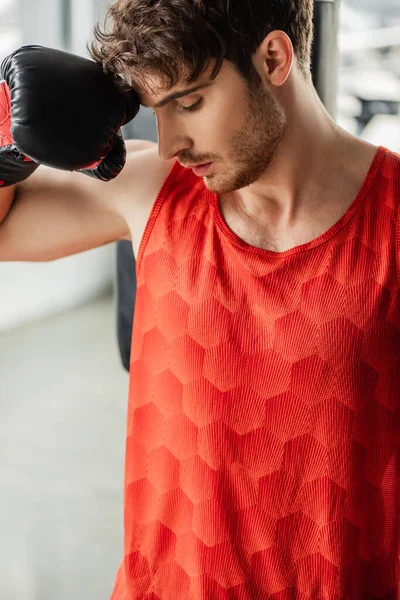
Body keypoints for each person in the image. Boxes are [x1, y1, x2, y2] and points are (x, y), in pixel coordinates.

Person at [1, 0, 400, 599]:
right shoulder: (153, 191)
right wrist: (8, 125)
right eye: (157, 111)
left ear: (273, 58)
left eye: (189, 103)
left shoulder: (392, 221)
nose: (169, 144)